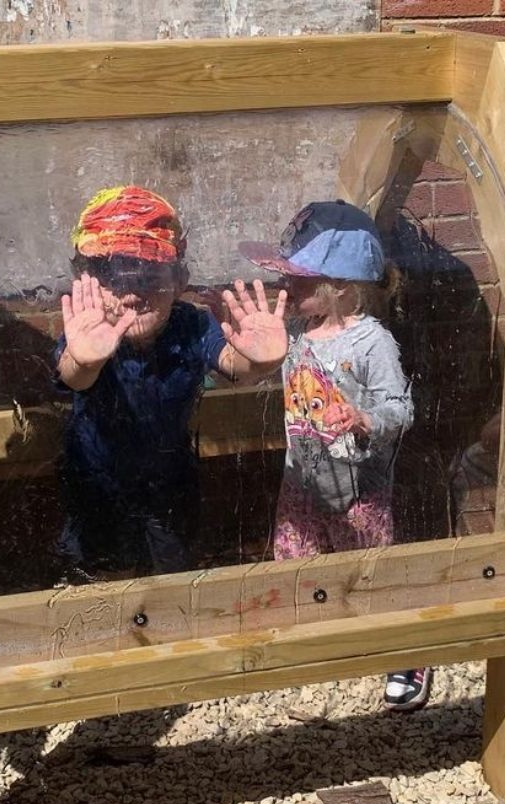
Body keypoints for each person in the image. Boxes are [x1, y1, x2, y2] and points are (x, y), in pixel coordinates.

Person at [238, 200, 422, 710]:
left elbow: (399, 408)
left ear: (340, 287)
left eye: (299, 280)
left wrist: (365, 420)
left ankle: (402, 655)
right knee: (295, 567)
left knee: (369, 573)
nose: (286, 289)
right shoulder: (293, 335)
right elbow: (256, 371)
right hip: (301, 482)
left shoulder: (371, 342)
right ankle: (313, 655)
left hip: (359, 489)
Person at [55, 184, 286, 579]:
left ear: (180, 280)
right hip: (97, 492)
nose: (132, 293)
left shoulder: (190, 325)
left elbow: (231, 363)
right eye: (113, 275)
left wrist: (259, 362)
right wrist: (83, 358)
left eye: (149, 275)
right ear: (85, 279)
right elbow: (73, 376)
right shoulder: (88, 331)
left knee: (172, 582)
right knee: (99, 582)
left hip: (169, 491)